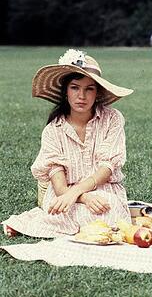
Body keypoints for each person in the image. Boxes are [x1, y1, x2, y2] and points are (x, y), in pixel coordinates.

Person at [2, 50, 133, 238]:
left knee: (108, 210)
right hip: (64, 193)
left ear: (97, 93)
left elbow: (107, 167)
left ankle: (54, 223)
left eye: (89, 89)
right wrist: (81, 197)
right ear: (65, 92)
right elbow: (60, 187)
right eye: (75, 87)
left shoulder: (112, 119)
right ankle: (43, 221)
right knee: (62, 211)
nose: (82, 95)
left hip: (102, 189)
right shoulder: (53, 130)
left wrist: (80, 193)